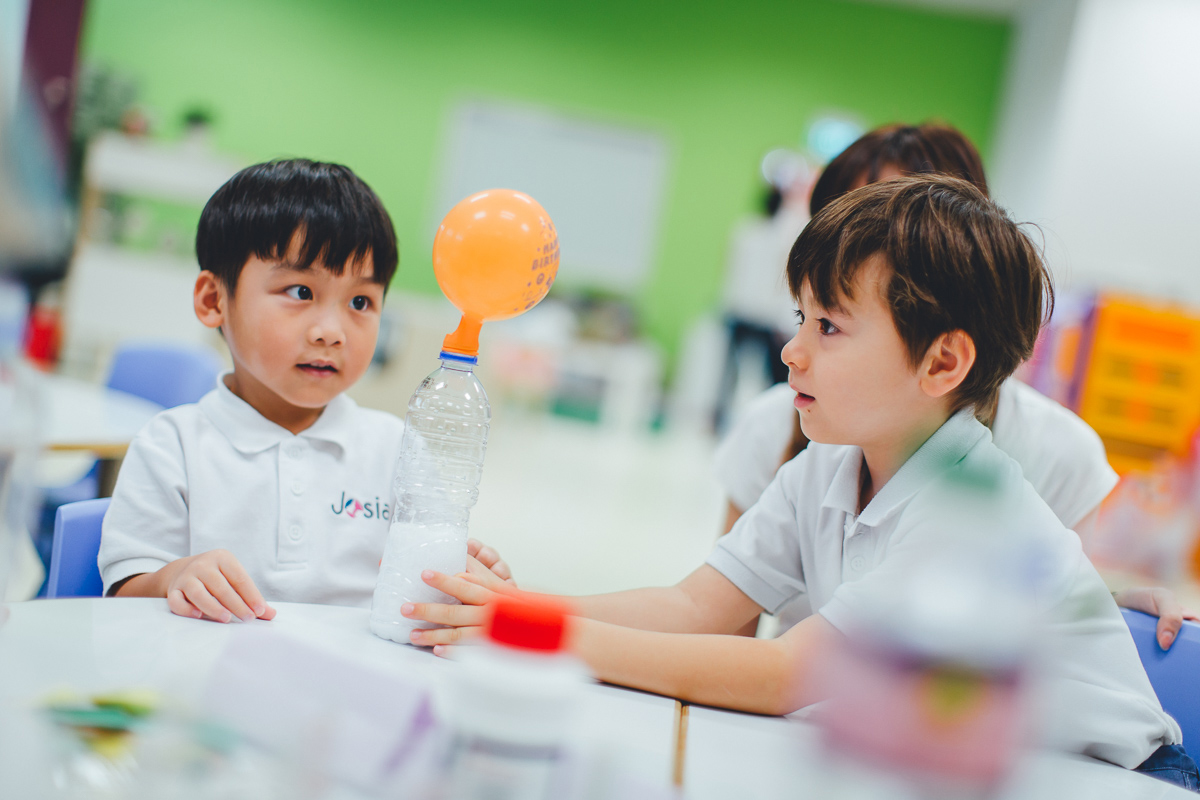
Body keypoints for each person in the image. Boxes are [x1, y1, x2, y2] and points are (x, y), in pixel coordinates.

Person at [404, 176, 1194, 783]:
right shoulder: (828, 464)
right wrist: (521, 609)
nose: (793, 351)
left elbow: (786, 676)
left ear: (942, 362)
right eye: (799, 320)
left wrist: (545, 637)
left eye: (829, 327)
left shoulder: (972, 509)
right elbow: (696, 607)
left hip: (1121, 781)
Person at [716, 123, 1193, 648]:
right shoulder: (800, 443)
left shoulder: (1045, 458)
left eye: (898, 224)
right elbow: (714, 621)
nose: (849, 249)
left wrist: (1110, 608)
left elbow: (1043, 631)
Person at [97, 159, 406, 621]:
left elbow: (424, 594)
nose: (331, 332)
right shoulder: (172, 445)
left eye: (360, 302)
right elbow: (124, 595)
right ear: (214, 300)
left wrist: (463, 587)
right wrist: (173, 578)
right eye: (301, 292)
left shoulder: (399, 452)